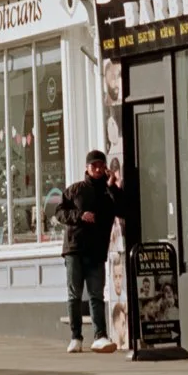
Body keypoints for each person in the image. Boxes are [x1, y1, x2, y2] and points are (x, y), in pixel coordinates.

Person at [54, 150, 120, 354]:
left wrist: (112, 185)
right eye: (94, 166)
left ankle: (100, 335)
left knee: (96, 294)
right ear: (87, 168)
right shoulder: (75, 190)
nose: (98, 169)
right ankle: (76, 337)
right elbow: (59, 212)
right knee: (74, 294)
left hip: (97, 250)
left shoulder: (108, 193)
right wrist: (79, 215)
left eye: (101, 166)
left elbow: (120, 207)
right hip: (75, 249)